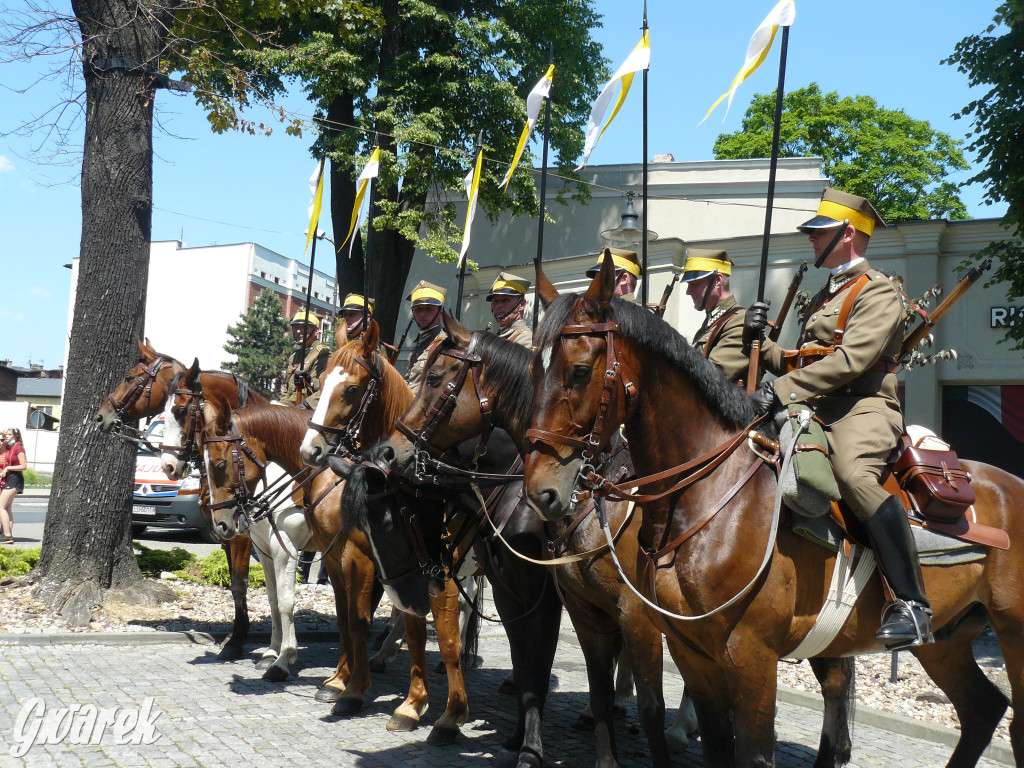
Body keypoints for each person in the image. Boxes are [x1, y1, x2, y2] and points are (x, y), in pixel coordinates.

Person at [743, 188, 930, 649]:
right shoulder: (829, 293)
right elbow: (807, 361)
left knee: (851, 473)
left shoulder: (879, 292)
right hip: (818, 407)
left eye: (819, 232)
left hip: (865, 408)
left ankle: (911, 604)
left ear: (848, 234)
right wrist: (762, 346)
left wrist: (781, 390)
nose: (810, 239)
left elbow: (850, 361)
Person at [680, 248, 751, 385]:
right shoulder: (713, 321)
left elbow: (710, 376)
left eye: (694, 284)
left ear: (718, 280)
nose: (688, 292)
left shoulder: (739, 321)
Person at [280, 309, 331, 409]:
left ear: (316, 331)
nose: (298, 331)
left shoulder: (322, 354)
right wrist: (281, 404)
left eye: (303, 328)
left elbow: (315, 389)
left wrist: (283, 407)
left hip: (308, 411)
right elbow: (286, 388)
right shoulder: (294, 357)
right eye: (295, 327)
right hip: (290, 409)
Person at [404, 280, 447, 395]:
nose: (423, 314)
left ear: (440, 312)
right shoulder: (420, 343)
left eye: (429, 309)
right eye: (418, 310)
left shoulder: (443, 345)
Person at [486, 271, 533, 349]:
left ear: (521, 305)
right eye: (495, 301)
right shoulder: (498, 336)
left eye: (505, 300)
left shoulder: (525, 338)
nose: (499, 305)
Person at [1, 428, 27, 545]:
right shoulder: (11, 448)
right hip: (10, 479)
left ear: (15, 436)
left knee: (0, 507)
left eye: (10, 434)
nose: (7, 436)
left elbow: (24, 466)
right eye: (6, 434)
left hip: (15, 480)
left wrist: (8, 468)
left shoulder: (18, 448)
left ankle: (7, 535)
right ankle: (8, 534)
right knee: (7, 508)